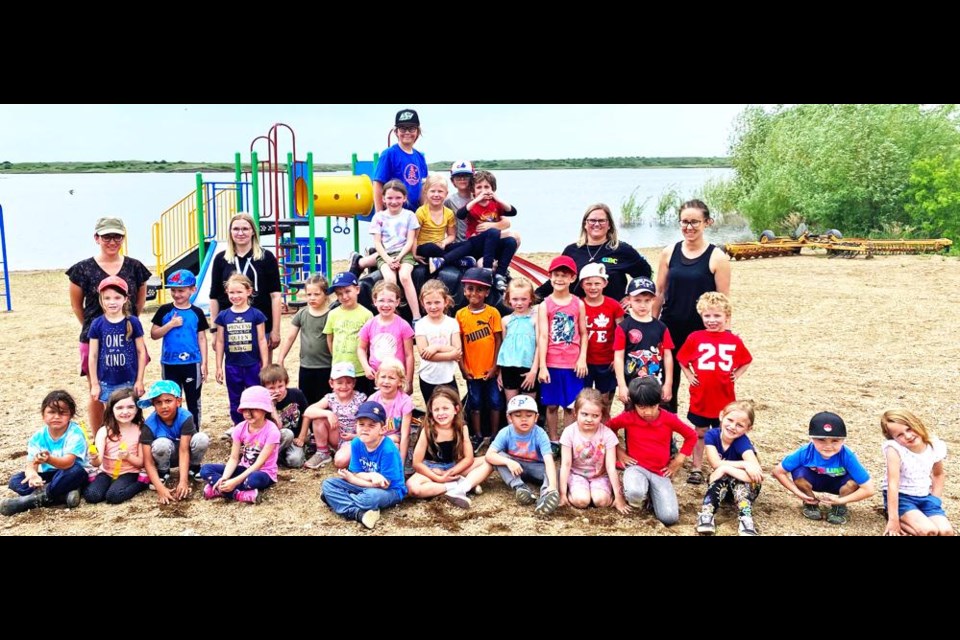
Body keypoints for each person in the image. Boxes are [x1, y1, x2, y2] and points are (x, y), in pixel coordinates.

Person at [68, 217, 152, 432]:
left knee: (129, 389)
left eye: (117, 236)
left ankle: (130, 437)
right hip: (94, 337)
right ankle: (99, 439)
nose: (112, 241)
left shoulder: (135, 267)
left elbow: (138, 302)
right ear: (97, 238)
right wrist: (97, 328)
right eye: (106, 236)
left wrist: (126, 323)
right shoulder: (82, 269)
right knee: (97, 392)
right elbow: (78, 306)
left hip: (126, 335)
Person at [655, 199, 731, 414]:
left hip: (702, 331)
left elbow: (723, 301)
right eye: (685, 222)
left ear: (707, 222)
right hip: (670, 326)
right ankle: (667, 431)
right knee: (667, 382)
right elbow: (659, 292)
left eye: (695, 222)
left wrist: (723, 333)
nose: (689, 227)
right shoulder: (669, 252)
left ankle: (705, 432)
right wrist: (651, 325)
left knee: (704, 383)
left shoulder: (717, 257)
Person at [675, 291, 752, 484]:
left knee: (724, 432)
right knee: (700, 432)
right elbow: (682, 358)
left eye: (717, 316)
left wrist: (738, 374)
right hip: (701, 395)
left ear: (727, 317)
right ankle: (697, 467)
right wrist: (689, 374)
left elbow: (746, 360)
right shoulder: (695, 337)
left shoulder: (733, 340)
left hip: (724, 397)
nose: (712, 320)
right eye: (707, 316)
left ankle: (722, 466)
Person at [608, 377, 697, 526]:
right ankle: (641, 495)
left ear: (659, 402)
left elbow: (691, 435)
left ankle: (650, 496)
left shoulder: (669, 418)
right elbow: (609, 428)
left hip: (660, 471)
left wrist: (679, 460)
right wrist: (619, 451)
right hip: (636, 466)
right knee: (635, 492)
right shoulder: (628, 417)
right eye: (642, 407)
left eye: (652, 406)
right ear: (634, 404)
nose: (648, 412)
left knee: (669, 517)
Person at [771, 411, 875, 526]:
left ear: (843, 440)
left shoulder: (847, 455)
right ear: (812, 439)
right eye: (821, 440)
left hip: (840, 485)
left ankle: (839, 507)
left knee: (855, 480)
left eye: (835, 440)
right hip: (814, 481)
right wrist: (798, 493)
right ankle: (810, 502)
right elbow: (778, 472)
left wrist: (841, 500)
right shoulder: (805, 452)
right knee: (798, 471)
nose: (828, 446)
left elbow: (869, 489)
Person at [536, 203, 652, 301]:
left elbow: (645, 274)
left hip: (612, 315)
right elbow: (558, 280)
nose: (596, 224)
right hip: (579, 313)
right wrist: (532, 298)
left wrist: (630, 297)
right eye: (592, 220)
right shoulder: (572, 250)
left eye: (601, 221)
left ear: (609, 225)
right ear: (585, 224)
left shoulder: (622, 250)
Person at [320, 400, 407, 530]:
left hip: (391, 490)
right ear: (356, 426)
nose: (365, 429)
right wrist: (369, 475)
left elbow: (384, 484)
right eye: (361, 424)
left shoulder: (388, 449)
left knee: (368, 498)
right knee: (328, 483)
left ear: (382, 429)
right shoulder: (356, 443)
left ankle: (337, 501)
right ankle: (358, 514)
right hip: (365, 483)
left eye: (371, 425)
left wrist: (353, 479)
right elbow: (356, 472)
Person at [1, 390, 88, 516]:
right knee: (16, 480)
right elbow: (31, 464)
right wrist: (32, 475)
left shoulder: (75, 433)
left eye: (62, 413)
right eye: (52, 412)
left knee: (76, 472)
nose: (57, 417)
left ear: (70, 415)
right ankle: (60, 496)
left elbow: (68, 463)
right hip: (49, 476)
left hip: (68, 472)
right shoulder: (38, 437)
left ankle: (32, 500)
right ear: (43, 415)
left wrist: (49, 459)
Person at [406, 387, 493, 509]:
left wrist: (450, 472)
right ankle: (454, 487)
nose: (441, 413)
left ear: (456, 409)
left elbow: (468, 458)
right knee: (412, 488)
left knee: (490, 460)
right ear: (431, 411)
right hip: (431, 468)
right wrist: (439, 478)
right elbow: (417, 463)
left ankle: (462, 487)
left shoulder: (462, 428)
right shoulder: (427, 430)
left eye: (445, 408)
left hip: (454, 467)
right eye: (436, 409)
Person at [208, 212, 282, 354]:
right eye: (236, 229)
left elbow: (275, 296)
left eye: (245, 229)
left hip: (261, 327)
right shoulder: (221, 259)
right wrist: (214, 331)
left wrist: (275, 331)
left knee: (262, 372)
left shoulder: (266, 257)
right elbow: (214, 296)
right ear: (230, 232)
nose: (240, 233)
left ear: (253, 231)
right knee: (234, 371)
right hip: (230, 327)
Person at [352, 180, 422, 320]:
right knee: (389, 278)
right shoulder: (379, 217)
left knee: (404, 276)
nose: (394, 201)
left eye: (397, 197)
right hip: (385, 254)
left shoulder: (409, 216)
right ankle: (393, 314)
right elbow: (377, 243)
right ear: (383, 199)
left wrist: (400, 257)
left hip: (404, 253)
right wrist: (388, 259)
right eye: (389, 198)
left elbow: (410, 240)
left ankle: (416, 316)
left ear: (404, 198)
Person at [199, 386, 280, 504]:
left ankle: (219, 490)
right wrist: (225, 478)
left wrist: (235, 481)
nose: (248, 413)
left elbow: (259, 464)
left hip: (264, 472)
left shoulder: (272, 431)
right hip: (243, 468)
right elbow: (234, 458)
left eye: (254, 409)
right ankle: (237, 494)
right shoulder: (239, 428)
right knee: (205, 469)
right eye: (245, 409)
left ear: (265, 410)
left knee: (253, 480)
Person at [537, 256, 588, 442]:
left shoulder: (578, 304)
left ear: (572, 278)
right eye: (556, 275)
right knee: (551, 405)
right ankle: (553, 439)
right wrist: (542, 365)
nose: (559, 279)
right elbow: (543, 336)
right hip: (552, 362)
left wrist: (582, 358)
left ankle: (567, 439)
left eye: (564, 275)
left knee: (570, 405)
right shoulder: (545, 304)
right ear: (550, 277)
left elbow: (583, 333)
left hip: (573, 363)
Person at [880, 409, 953, 536]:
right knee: (929, 531)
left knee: (946, 532)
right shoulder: (894, 449)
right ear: (893, 438)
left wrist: (935, 500)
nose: (908, 436)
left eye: (909, 429)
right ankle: (896, 515)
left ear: (916, 423)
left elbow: (938, 474)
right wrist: (893, 519)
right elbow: (893, 483)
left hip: (924, 496)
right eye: (899, 435)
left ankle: (915, 517)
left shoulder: (934, 445)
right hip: (902, 497)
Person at [695, 401, 763, 536]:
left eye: (740, 425)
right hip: (724, 486)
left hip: (746, 488)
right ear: (721, 416)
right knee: (722, 477)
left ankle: (746, 519)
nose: (732, 427)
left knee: (737, 482)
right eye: (730, 420)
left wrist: (725, 468)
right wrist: (743, 464)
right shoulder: (712, 435)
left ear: (748, 429)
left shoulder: (742, 442)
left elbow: (756, 476)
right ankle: (707, 514)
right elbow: (715, 463)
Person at [150, 269, 208, 427]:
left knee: (193, 399)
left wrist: (204, 363)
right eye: (173, 290)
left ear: (192, 290)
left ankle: (194, 431)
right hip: (169, 363)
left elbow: (202, 338)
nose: (177, 294)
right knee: (171, 399)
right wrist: (170, 324)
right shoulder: (165, 311)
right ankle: (174, 430)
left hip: (192, 363)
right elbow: (154, 334)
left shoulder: (197, 312)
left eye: (181, 290)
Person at [485, 395, 560, 516]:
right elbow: (489, 455)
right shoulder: (505, 432)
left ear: (536, 417)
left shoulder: (540, 433)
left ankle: (547, 494)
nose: (524, 419)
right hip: (515, 468)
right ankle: (520, 487)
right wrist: (508, 462)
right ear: (509, 418)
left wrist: (552, 485)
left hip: (537, 468)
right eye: (518, 415)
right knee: (498, 456)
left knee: (555, 472)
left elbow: (549, 460)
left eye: (529, 415)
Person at [138, 380, 211, 505]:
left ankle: (193, 467)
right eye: (158, 402)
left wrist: (183, 481)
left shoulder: (186, 417)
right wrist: (160, 490)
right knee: (161, 444)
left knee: (201, 438)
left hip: (184, 452)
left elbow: (184, 450)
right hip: (164, 454)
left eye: (168, 401)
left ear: (178, 401)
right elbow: (148, 462)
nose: (164, 406)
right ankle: (163, 471)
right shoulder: (149, 425)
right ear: (153, 405)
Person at [558, 389, 629, 513]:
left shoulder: (607, 434)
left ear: (602, 416)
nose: (589, 419)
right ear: (575, 413)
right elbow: (565, 464)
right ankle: (573, 492)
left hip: (599, 476)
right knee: (581, 501)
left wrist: (619, 497)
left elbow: (611, 467)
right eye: (584, 414)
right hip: (576, 474)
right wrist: (562, 494)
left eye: (595, 416)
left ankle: (604, 492)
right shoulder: (569, 432)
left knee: (601, 501)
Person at [457, 267, 503, 451]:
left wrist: (495, 366)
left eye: (479, 289)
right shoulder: (460, 315)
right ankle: (477, 435)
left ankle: (493, 436)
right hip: (471, 370)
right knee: (475, 404)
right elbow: (459, 344)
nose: (474, 293)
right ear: (464, 290)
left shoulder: (492, 313)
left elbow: (498, 341)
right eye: (470, 288)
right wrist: (462, 367)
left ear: (487, 292)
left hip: (490, 369)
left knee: (495, 402)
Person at [214, 273, 269, 426]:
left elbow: (262, 340)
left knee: (255, 396)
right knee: (235, 398)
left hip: (253, 364)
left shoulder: (256, 315)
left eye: (239, 292)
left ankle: (258, 426)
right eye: (232, 292)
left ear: (248, 291)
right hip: (232, 365)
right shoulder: (223, 316)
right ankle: (238, 427)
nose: (235, 296)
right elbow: (219, 342)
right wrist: (218, 366)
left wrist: (265, 364)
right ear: (227, 293)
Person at [454, 169, 519, 292]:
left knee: (511, 240)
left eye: (486, 187)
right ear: (473, 190)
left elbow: (513, 212)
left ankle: (501, 274)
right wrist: (476, 199)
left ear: (492, 189)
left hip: (492, 244)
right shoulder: (472, 206)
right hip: (477, 245)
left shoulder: (495, 204)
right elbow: (461, 214)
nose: (483, 191)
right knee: (493, 235)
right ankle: (488, 271)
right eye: (479, 187)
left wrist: (497, 199)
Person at [613, 277, 673, 407]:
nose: (642, 305)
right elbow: (618, 357)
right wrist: (622, 385)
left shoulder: (661, 327)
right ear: (629, 300)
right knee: (632, 418)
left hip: (656, 382)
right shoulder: (623, 327)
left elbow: (667, 356)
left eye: (647, 300)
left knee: (656, 416)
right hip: (633, 384)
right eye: (637, 300)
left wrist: (668, 383)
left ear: (653, 300)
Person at [84, 388, 150, 505]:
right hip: (106, 473)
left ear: (137, 409)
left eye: (130, 407)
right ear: (111, 410)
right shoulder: (104, 431)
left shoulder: (141, 430)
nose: (125, 412)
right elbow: (97, 463)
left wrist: (128, 456)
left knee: (113, 496)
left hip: (129, 473)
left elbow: (141, 462)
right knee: (92, 496)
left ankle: (142, 483)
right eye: (119, 408)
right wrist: (93, 457)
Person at [88, 276, 147, 403]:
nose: (112, 302)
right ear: (101, 300)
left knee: (131, 415)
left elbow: (142, 352)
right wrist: (95, 384)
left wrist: (139, 380)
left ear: (125, 299)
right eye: (107, 298)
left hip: (129, 382)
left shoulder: (133, 322)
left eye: (117, 297)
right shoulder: (97, 324)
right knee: (110, 419)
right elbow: (92, 355)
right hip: (106, 384)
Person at [278, 274, 333, 406]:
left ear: (325, 294)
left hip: (326, 367)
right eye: (309, 294)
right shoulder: (302, 314)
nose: (312, 298)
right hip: (306, 367)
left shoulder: (332, 314)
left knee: (324, 403)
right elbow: (290, 337)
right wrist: (281, 358)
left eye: (317, 294)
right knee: (306, 403)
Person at [302, 362, 368, 470]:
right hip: (336, 435)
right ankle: (323, 452)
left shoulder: (361, 399)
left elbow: (368, 422)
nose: (344, 386)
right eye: (339, 382)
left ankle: (354, 455)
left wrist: (356, 436)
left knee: (340, 462)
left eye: (348, 382)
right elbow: (308, 411)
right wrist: (328, 413)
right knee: (318, 418)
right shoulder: (330, 398)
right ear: (331, 383)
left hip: (353, 438)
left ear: (354, 383)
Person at [579, 263, 624, 408]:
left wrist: (617, 357)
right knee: (583, 396)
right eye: (589, 283)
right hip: (584, 360)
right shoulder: (578, 304)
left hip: (606, 359)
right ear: (582, 284)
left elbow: (621, 332)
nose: (593, 287)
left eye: (597, 283)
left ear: (605, 283)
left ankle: (605, 426)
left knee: (604, 398)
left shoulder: (613, 306)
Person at [358, 281, 415, 394]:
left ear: (397, 302)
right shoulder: (370, 324)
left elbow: (409, 355)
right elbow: (361, 348)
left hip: (396, 377)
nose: (386, 305)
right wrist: (366, 367)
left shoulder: (403, 325)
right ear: (375, 301)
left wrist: (409, 380)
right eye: (381, 300)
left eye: (390, 301)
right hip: (376, 376)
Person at [324, 272, 375, 395]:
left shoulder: (367, 315)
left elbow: (370, 342)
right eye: (339, 294)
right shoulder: (333, 314)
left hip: (360, 369)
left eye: (347, 291)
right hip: (339, 368)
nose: (344, 296)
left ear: (357, 289)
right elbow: (330, 338)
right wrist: (336, 357)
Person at [414, 280, 462, 404]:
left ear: (445, 302)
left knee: (453, 410)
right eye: (428, 303)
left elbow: (457, 350)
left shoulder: (452, 323)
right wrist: (450, 354)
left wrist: (436, 347)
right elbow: (424, 354)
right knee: (432, 412)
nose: (433, 306)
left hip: (448, 377)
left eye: (437, 302)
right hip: (428, 378)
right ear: (422, 304)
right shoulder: (420, 324)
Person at [372, 108, 428, 212]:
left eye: (411, 129)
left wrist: (425, 213)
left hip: (414, 214)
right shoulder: (389, 154)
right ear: (396, 132)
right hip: (393, 213)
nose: (407, 132)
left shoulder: (420, 156)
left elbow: (422, 187)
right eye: (402, 129)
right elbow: (378, 184)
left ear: (418, 131)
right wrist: (379, 214)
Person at [497, 277, 539, 405]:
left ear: (531, 298)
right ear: (509, 299)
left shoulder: (535, 319)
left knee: (529, 405)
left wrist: (534, 371)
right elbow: (504, 348)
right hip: (508, 369)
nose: (519, 303)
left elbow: (539, 346)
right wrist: (500, 372)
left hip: (528, 369)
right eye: (515, 299)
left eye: (523, 299)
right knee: (511, 405)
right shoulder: (505, 320)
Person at [260, 364, 309, 469]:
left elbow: (306, 415)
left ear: (286, 383)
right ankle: (268, 457)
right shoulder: (263, 402)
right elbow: (278, 427)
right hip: (276, 438)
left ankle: (278, 456)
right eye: (271, 388)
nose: (277, 391)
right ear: (264, 388)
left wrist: (302, 437)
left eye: (280, 386)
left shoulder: (296, 394)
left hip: (295, 438)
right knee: (287, 434)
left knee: (295, 461)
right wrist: (272, 405)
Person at [367, 357, 414, 467]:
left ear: (400, 381)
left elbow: (405, 435)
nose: (386, 381)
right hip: (375, 437)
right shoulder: (372, 399)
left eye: (392, 378)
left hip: (395, 438)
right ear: (377, 379)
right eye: (383, 377)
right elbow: (367, 428)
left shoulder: (405, 401)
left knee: (393, 444)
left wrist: (401, 464)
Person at [413, 174, 456, 273]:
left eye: (440, 191)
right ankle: (456, 260)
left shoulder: (449, 213)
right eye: (432, 191)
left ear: (446, 193)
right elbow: (414, 237)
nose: (436, 195)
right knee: (430, 247)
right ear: (426, 192)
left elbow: (452, 235)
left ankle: (443, 259)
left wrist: (444, 242)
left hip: (440, 246)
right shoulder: (421, 212)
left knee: (466, 244)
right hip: (424, 247)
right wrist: (414, 255)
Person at [445, 160, 475, 243]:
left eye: (466, 176)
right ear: (452, 181)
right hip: (460, 242)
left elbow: (505, 221)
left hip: (479, 239)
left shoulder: (480, 198)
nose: (462, 179)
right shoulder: (449, 201)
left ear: (472, 178)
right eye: (458, 177)